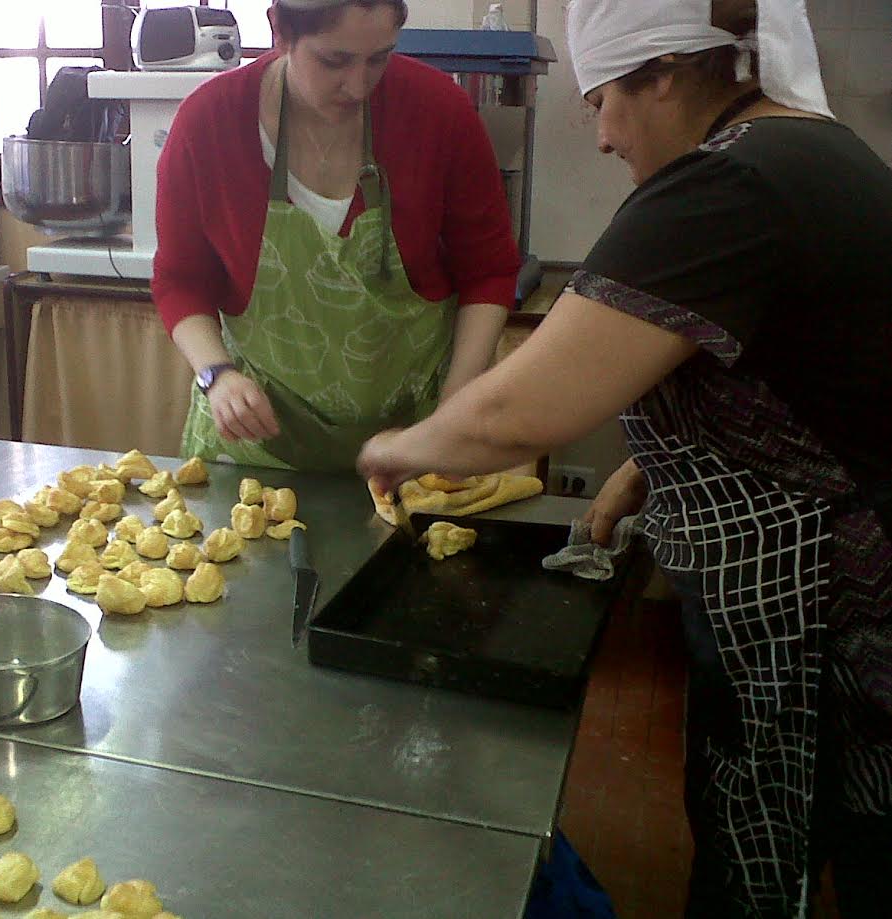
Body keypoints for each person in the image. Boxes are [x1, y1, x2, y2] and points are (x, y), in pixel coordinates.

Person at [358, 1, 892, 916]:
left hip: (819, 616)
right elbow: (788, 363)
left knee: (776, 854)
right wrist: (644, 466)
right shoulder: (806, 148)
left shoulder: (724, 187)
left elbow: (520, 409)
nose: (601, 136)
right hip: (821, 594)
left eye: (601, 100)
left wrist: (394, 447)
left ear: (665, 74)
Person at [151, 0, 520, 471]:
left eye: (379, 58)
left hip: (416, 441)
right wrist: (216, 374)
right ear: (280, 30)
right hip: (257, 447)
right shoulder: (208, 122)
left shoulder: (438, 110)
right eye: (334, 61)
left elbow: (488, 270)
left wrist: (452, 412)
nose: (359, 85)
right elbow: (179, 280)